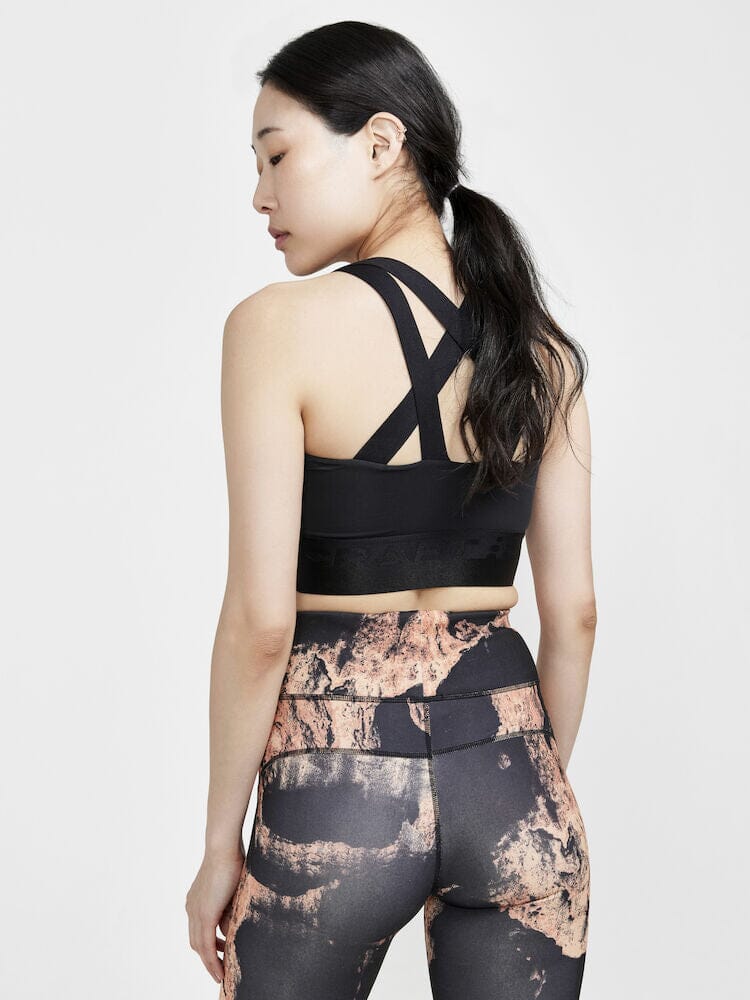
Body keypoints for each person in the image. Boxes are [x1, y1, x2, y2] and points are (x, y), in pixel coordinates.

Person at [185, 20, 596, 1000]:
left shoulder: (275, 328)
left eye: (276, 155)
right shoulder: (543, 350)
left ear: (380, 143)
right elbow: (576, 614)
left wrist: (218, 842)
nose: (260, 195)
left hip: (336, 783)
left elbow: (261, 624)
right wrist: (524, 778)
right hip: (514, 769)